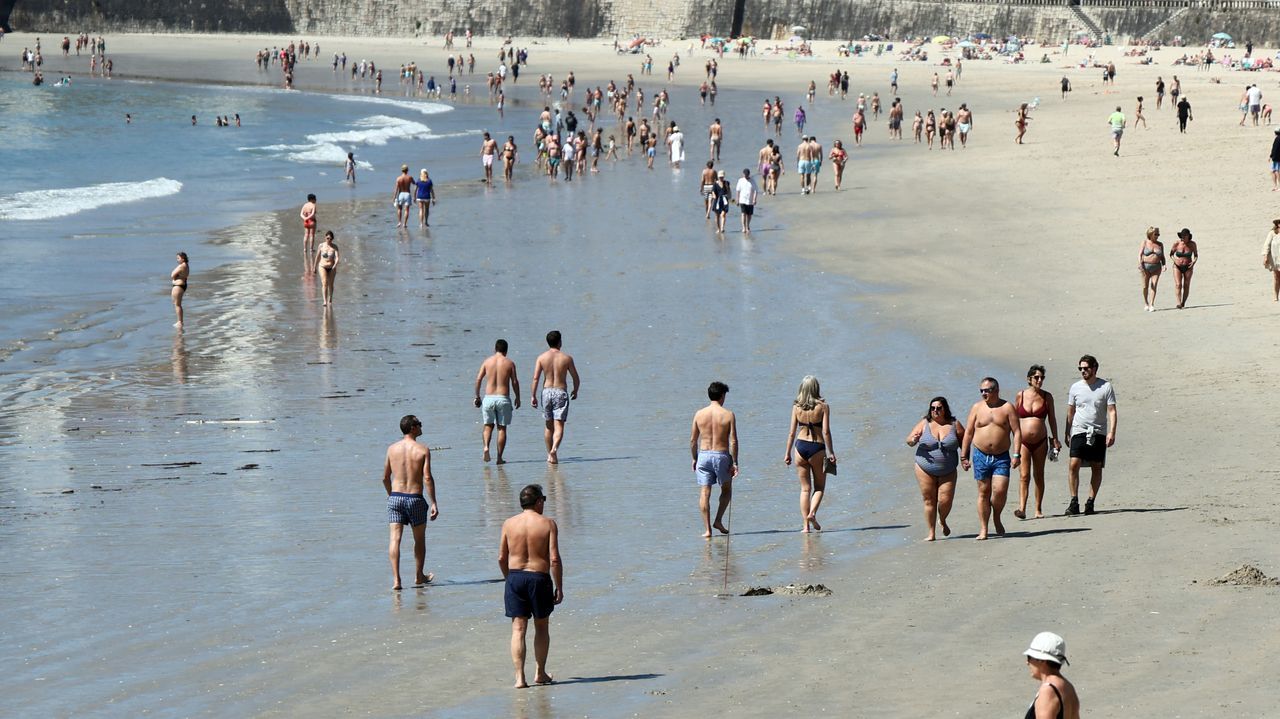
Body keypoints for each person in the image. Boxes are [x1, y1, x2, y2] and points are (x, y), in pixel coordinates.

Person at [499, 484, 562, 689]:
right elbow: (554, 559)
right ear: (538, 502)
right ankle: (540, 673)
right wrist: (559, 587)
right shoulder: (548, 524)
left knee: (518, 629)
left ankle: (519, 678)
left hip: (515, 577)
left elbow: (501, 557)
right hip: (539, 578)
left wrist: (509, 579)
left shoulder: (508, 524)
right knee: (541, 626)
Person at [960, 377, 1021, 540]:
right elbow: (968, 433)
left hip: (1001, 456)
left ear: (996, 390)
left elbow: (1017, 432)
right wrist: (964, 455)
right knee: (983, 492)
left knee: (1000, 491)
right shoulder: (977, 408)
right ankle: (984, 528)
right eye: (981, 391)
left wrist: (1016, 454)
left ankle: (997, 516)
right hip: (980, 454)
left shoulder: (1007, 407)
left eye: (987, 390)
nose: (983, 393)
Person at [382, 415, 438, 590]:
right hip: (414, 498)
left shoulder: (391, 449)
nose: (421, 426)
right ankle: (419, 576)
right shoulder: (422, 450)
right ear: (412, 428)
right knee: (419, 539)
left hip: (396, 497)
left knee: (394, 539)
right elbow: (427, 477)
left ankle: (397, 580)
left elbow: (384, 477)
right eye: (419, 424)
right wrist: (434, 502)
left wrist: (392, 495)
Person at [1064, 355, 1117, 516]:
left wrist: (1112, 432)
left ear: (1094, 368)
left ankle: (1090, 502)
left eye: (1086, 368)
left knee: (1096, 466)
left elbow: (1112, 411)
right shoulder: (1075, 387)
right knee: (1074, 464)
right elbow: (1071, 411)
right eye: (1080, 368)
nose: (1083, 371)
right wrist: (1067, 431)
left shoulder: (1105, 386)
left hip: (1098, 432)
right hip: (1079, 430)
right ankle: (1074, 501)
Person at [782, 376, 836, 533]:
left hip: (800, 447)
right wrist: (830, 452)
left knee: (805, 489)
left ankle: (805, 527)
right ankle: (812, 513)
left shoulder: (796, 407)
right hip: (817, 448)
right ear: (816, 388)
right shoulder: (823, 406)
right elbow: (825, 431)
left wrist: (787, 453)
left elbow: (792, 433)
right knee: (819, 487)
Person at [906, 396, 962, 541]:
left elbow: (965, 441)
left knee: (945, 500)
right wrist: (914, 440)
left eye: (938, 408)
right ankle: (931, 533)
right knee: (929, 499)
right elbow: (909, 441)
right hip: (924, 467)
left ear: (945, 409)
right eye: (932, 408)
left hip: (948, 469)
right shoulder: (924, 423)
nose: (935, 411)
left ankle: (942, 520)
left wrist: (965, 458)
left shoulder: (954, 424)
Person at [1013, 365, 1061, 520]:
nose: (1039, 380)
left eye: (1042, 378)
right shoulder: (1020, 395)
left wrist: (1055, 438)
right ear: (1029, 379)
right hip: (1023, 442)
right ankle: (1022, 508)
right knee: (1024, 475)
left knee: (1039, 475)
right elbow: (1013, 420)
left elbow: (1052, 419)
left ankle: (1038, 509)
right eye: (1036, 377)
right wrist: (1012, 440)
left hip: (1040, 441)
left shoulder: (1047, 397)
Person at [690, 381, 738, 538]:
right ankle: (718, 520)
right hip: (721, 455)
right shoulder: (728, 414)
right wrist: (735, 462)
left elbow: (692, 440)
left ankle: (707, 530)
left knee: (705, 492)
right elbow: (733, 441)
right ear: (722, 396)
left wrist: (694, 458)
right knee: (726, 490)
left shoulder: (699, 414)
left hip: (703, 455)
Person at [530, 330, 580, 464]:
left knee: (548, 426)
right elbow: (575, 377)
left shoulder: (541, 358)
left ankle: (550, 454)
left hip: (546, 392)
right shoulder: (566, 358)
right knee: (559, 426)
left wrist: (533, 395)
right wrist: (575, 390)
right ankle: (554, 450)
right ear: (560, 342)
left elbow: (535, 378)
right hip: (560, 391)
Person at [475, 339, 520, 464]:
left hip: (488, 398)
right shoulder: (509, 363)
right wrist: (518, 397)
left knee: (488, 426)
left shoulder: (487, 362)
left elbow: (478, 379)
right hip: (503, 398)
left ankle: (486, 447)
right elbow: (515, 382)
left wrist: (477, 396)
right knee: (502, 428)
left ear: (495, 349)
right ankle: (499, 458)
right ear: (506, 351)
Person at [1023, 632, 1081, 719]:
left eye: (1029, 657)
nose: (1027, 662)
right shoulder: (1068, 687)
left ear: (1042, 660)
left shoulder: (1048, 691)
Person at [1169, 228, 1198, 309]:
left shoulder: (1192, 244)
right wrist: (1175, 260)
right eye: (1182, 236)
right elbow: (1171, 254)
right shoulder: (1177, 243)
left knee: (1186, 284)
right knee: (1178, 284)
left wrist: (1193, 262)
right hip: (1177, 266)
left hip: (1188, 266)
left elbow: (1196, 255)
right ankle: (1178, 302)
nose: (1183, 238)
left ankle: (1183, 302)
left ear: (1188, 236)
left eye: (1184, 236)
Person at [1138, 226, 1166, 312]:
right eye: (1156, 234)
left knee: (1154, 285)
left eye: (1158, 234)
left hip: (1157, 267)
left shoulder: (1160, 244)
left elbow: (1162, 256)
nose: (1157, 236)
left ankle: (1152, 304)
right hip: (1145, 267)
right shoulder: (1145, 242)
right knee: (1145, 286)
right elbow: (1140, 254)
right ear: (1150, 234)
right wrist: (1140, 264)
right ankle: (1146, 303)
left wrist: (1164, 264)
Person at [312, 231, 340, 306]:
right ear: (325, 237)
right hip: (322, 266)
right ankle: (324, 300)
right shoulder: (321, 246)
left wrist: (335, 265)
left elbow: (337, 257)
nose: (328, 240)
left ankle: (330, 299)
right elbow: (317, 257)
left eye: (330, 239)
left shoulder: (335, 247)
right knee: (324, 283)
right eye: (327, 238)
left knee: (331, 284)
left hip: (332, 267)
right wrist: (314, 267)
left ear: (332, 239)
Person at [735, 168, 757, 235]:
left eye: (747, 175)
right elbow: (737, 190)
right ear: (743, 174)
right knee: (743, 213)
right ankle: (744, 227)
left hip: (750, 200)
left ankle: (748, 226)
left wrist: (754, 199)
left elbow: (756, 190)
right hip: (742, 200)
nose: (746, 176)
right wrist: (737, 199)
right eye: (745, 175)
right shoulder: (740, 180)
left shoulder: (752, 181)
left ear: (749, 174)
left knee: (749, 215)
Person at [170, 252, 189, 328]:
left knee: (177, 305)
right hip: (181, 285)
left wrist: (174, 277)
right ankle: (180, 321)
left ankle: (180, 322)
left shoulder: (182, 266)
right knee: (177, 304)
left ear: (183, 258)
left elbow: (172, 275)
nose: (177, 260)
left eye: (178, 258)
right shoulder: (186, 265)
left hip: (178, 286)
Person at [1263, 218, 1280, 300]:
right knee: (1276, 277)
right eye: (1279, 222)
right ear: (1277, 224)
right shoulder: (1272, 233)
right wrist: (1265, 256)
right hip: (1275, 259)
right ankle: (1276, 296)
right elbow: (1267, 245)